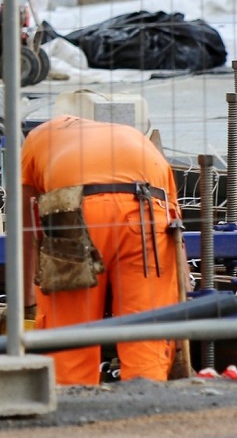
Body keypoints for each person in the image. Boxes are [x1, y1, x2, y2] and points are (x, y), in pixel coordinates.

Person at [20, 115, 181, 385]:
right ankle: (148, 409)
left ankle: (73, 407)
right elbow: (176, 230)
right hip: (147, 214)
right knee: (146, 336)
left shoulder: (35, 141)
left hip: (74, 211)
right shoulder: (132, 135)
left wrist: (26, 301)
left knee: (70, 339)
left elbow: (24, 228)